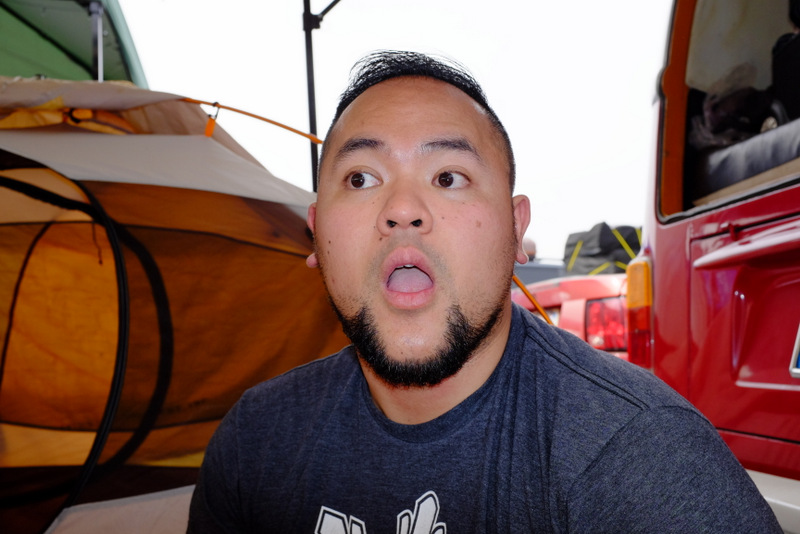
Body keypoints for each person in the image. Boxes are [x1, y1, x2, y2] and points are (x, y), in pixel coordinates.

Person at [188, 50, 781, 533]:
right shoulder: (254, 443)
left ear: (517, 230)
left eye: (448, 177)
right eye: (362, 177)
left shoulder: (635, 452)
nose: (402, 208)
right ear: (316, 233)